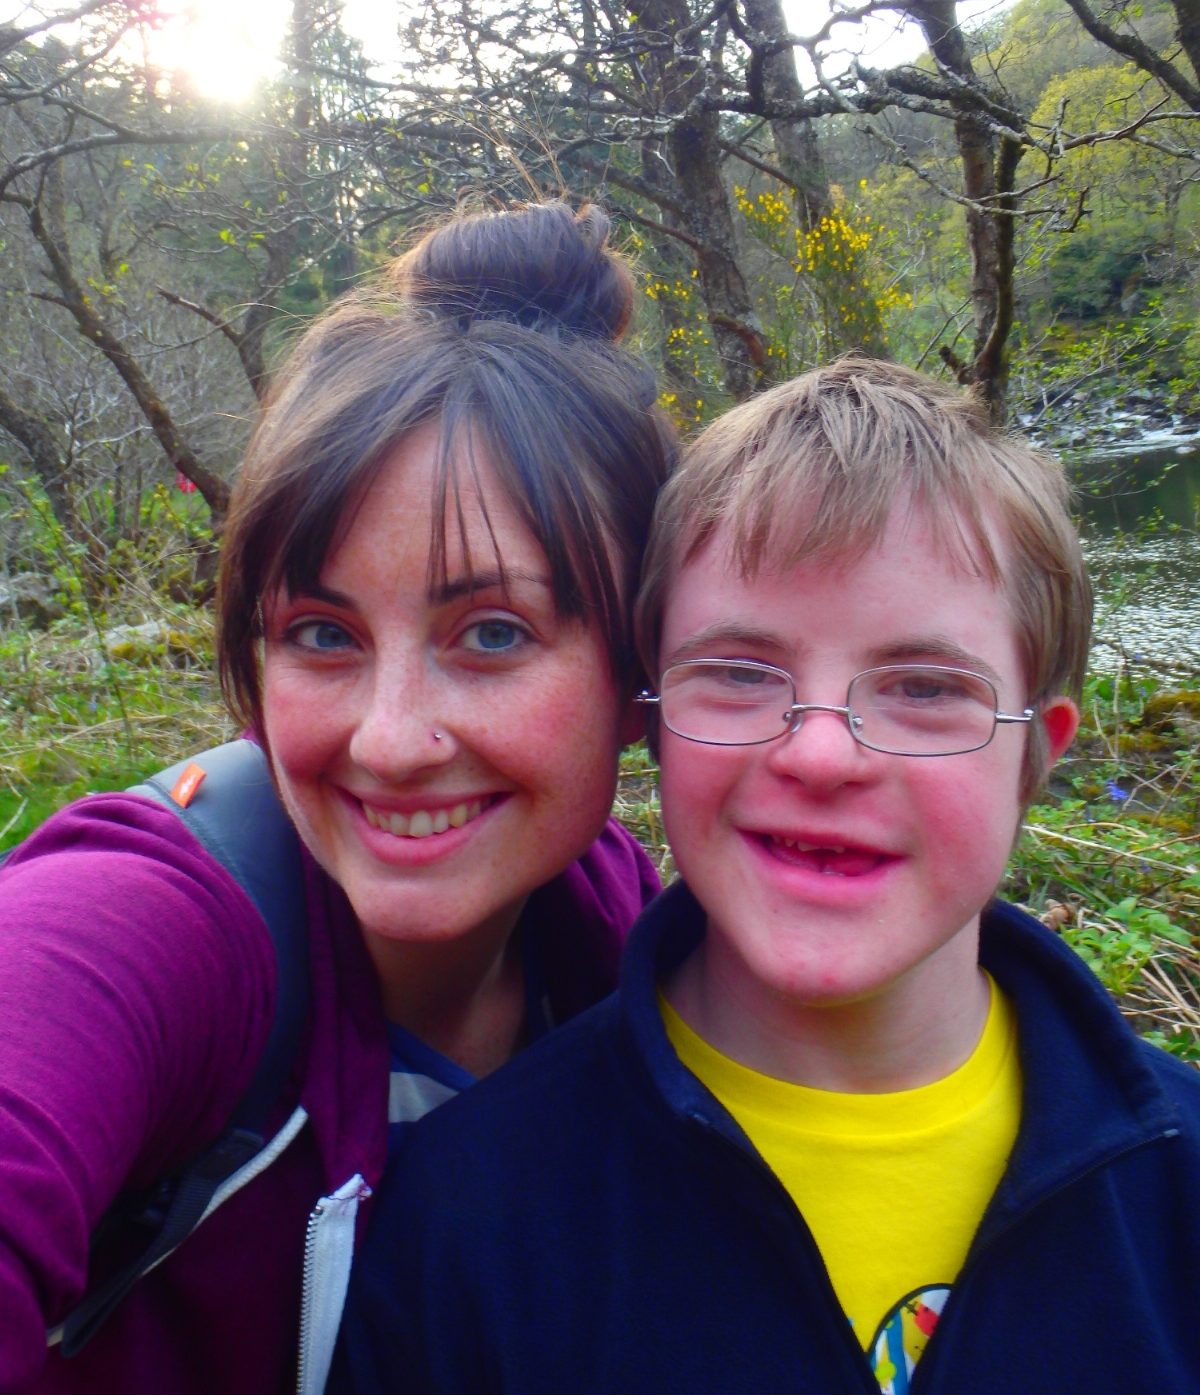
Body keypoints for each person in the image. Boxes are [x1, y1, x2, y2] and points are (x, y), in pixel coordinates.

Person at [333, 358, 1200, 1395]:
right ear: (653, 722)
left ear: (1034, 755)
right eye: (740, 673)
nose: (821, 756)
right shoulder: (466, 1220)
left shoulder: (1178, 1184)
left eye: (925, 688)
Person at [0, 202, 676, 1395]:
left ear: (639, 672)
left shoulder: (625, 938)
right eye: (322, 632)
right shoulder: (158, 927)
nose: (390, 739)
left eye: (494, 633)